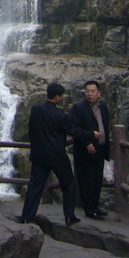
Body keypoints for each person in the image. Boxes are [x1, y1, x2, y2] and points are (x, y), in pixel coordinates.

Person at [18, 82, 92, 226]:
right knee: (69, 184)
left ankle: (27, 216)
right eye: (61, 96)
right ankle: (69, 216)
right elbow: (74, 131)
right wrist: (91, 135)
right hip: (57, 156)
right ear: (57, 97)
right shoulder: (60, 115)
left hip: (39, 154)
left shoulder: (36, 110)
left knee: (35, 186)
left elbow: (31, 130)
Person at [70, 80, 110, 219]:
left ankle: (95, 206)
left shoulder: (103, 107)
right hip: (85, 150)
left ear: (99, 93)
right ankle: (89, 209)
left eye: (93, 91)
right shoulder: (79, 107)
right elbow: (75, 128)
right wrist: (87, 142)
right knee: (87, 180)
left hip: (100, 148)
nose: (90, 94)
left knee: (97, 179)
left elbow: (105, 125)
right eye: (87, 91)